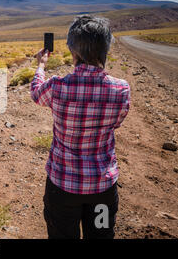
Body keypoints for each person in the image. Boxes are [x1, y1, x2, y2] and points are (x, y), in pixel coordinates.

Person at [30, 15, 130, 239]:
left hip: (62, 187)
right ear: (106, 50)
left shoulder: (57, 86)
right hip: (102, 189)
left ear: (73, 51)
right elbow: (117, 123)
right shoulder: (121, 90)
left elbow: (36, 93)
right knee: (101, 235)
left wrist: (41, 65)